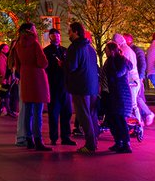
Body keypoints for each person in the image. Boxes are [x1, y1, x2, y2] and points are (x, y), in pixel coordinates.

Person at [64, 21, 100, 154]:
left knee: (83, 114)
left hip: (80, 86)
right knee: (92, 114)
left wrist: (63, 63)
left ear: (76, 32)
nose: (68, 33)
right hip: (92, 86)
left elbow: (72, 66)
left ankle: (90, 144)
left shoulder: (75, 48)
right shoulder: (90, 49)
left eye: (70, 31)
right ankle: (94, 140)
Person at [16, 23, 51, 150]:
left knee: (27, 112)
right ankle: (38, 140)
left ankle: (29, 139)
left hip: (25, 78)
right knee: (38, 112)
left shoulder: (18, 44)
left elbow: (16, 63)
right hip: (37, 79)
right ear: (31, 30)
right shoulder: (35, 43)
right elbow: (43, 62)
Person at [44, 27, 74, 146]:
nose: (56, 37)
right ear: (50, 37)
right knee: (54, 113)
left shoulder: (65, 50)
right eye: (53, 35)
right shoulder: (46, 51)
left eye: (58, 35)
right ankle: (54, 137)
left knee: (67, 112)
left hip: (65, 86)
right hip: (53, 85)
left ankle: (66, 136)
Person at [102, 41, 133, 153]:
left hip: (120, 94)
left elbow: (117, 74)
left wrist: (111, 62)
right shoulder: (110, 61)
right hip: (109, 93)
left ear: (112, 50)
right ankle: (118, 142)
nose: (105, 51)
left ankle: (126, 144)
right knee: (111, 119)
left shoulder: (121, 61)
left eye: (106, 49)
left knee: (120, 119)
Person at [124, 33, 154, 127]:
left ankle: (145, 116)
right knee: (137, 99)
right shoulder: (132, 50)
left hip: (136, 79)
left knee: (137, 98)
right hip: (134, 79)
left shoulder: (136, 50)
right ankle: (143, 117)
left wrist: (140, 78)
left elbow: (142, 64)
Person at [112, 34, 142, 128]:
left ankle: (138, 125)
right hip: (134, 79)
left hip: (131, 80)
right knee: (133, 104)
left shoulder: (123, 51)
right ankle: (136, 125)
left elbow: (123, 66)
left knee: (132, 105)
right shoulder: (129, 50)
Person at [0, 43, 13, 116]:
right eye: (6, 49)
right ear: (2, 49)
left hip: (4, 79)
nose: (7, 50)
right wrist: (5, 78)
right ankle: (5, 109)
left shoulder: (4, 56)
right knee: (4, 94)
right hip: (4, 80)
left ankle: (1, 109)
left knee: (3, 94)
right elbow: (2, 69)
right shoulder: (1, 57)